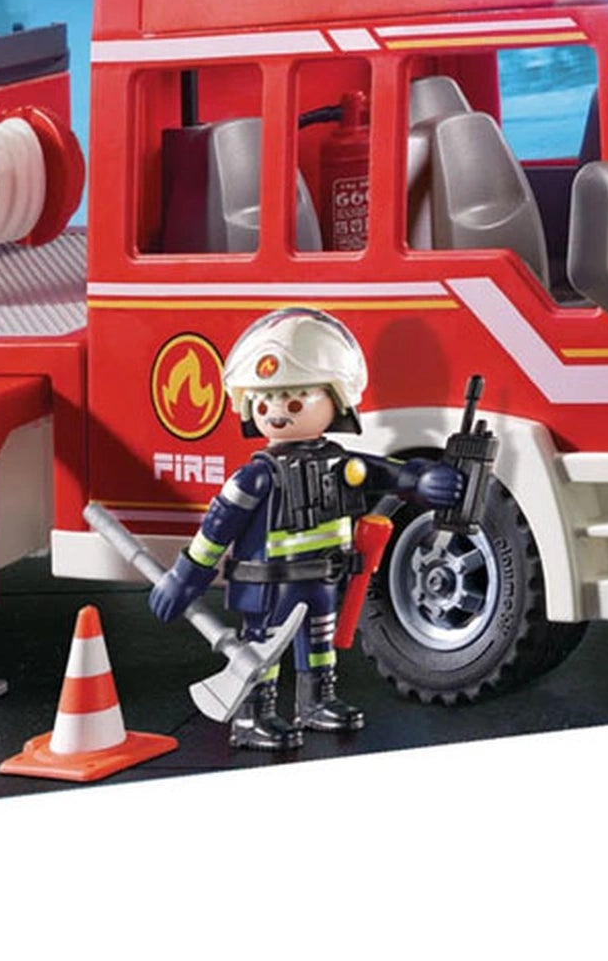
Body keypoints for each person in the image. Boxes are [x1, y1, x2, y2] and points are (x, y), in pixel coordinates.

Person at [148, 308, 460, 751]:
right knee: (262, 650)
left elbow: (387, 474)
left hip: (323, 581)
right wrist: (185, 577)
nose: (276, 413)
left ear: (336, 399)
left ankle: (316, 702)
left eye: (294, 402)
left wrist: (422, 480)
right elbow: (216, 529)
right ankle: (254, 716)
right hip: (269, 588)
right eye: (264, 403)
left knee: (320, 642)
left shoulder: (341, 464)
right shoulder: (254, 478)